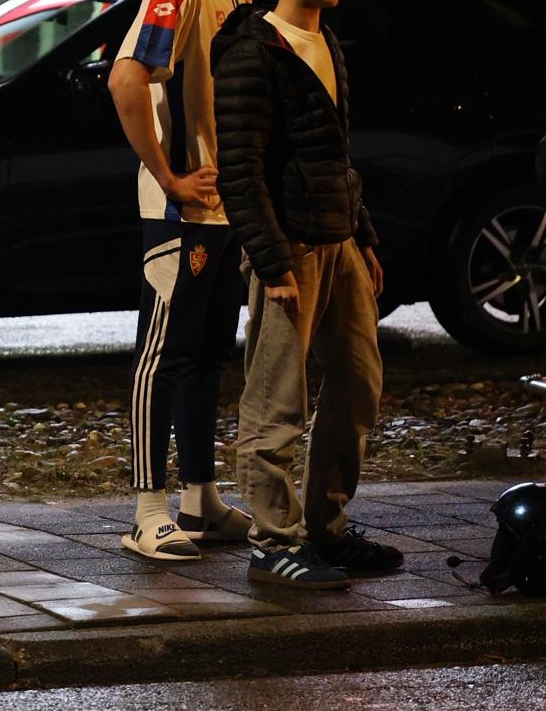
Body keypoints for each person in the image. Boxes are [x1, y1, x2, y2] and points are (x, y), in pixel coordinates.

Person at [212, 0, 404, 589]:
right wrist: (271, 263)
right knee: (277, 398)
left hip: (336, 239)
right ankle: (273, 542)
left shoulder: (328, 42)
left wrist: (362, 235)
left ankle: (326, 528)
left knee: (359, 383)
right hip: (289, 246)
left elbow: (335, 157)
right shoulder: (253, 49)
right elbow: (239, 169)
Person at [108, 0, 253, 562]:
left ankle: (201, 500)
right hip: (181, 214)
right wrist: (169, 179)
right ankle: (148, 511)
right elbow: (126, 79)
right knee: (162, 357)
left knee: (207, 355)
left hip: (221, 209)